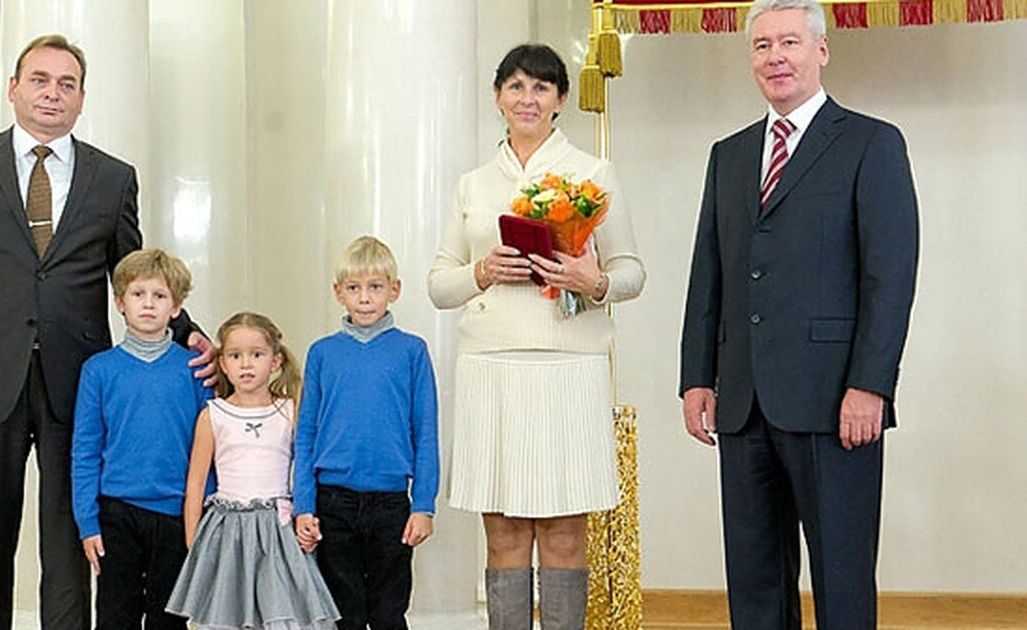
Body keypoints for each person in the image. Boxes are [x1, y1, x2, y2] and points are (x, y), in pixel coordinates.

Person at [0, 35, 214, 630]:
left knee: (72, 547)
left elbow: (134, 273)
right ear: (13, 89)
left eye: (67, 84)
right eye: (39, 80)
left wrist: (188, 332)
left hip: (80, 385)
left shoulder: (113, 177)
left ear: (82, 98)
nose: (52, 94)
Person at [679, 1, 919, 628]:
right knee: (754, 581)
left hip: (835, 400)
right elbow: (710, 272)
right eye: (762, 46)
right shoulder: (729, 155)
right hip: (743, 402)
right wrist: (697, 377)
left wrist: (870, 385)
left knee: (841, 578)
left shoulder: (872, 143)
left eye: (789, 42)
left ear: (822, 50)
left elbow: (889, 278)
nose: (775, 57)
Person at [427, 44, 645, 629]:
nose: (528, 98)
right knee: (502, 531)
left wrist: (591, 281)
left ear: (561, 100)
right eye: (516, 86)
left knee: (565, 531)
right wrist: (481, 271)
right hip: (491, 366)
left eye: (541, 87)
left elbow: (632, 272)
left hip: (569, 368)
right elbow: (439, 285)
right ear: (498, 97)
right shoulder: (473, 184)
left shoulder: (593, 174)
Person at [293, 236, 439, 630]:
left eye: (375, 287)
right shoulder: (322, 353)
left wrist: (423, 505)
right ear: (338, 292)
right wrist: (304, 505)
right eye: (354, 287)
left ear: (394, 290)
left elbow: (426, 433)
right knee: (345, 614)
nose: (364, 298)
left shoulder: (412, 351)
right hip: (333, 502)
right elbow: (305, 435)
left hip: (391, 503)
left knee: (389, 612)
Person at [166, 311, 340, 629]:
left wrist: (306, 516)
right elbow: (196, 484)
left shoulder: (290, 410)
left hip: (278, 531)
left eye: (256, 355)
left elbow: (305, 470)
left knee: (281, 612)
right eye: (235, 356)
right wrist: (194, 541)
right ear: (222, 363)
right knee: (228, 614)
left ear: (275, 361)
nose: (246, 364)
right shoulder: (213, 415)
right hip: (227, 531)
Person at [70, 249, 211, 628]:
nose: (148, 303)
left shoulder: (195, 370)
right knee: (116, 617)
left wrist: (203, 516)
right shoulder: (98, 371)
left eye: (159, 295)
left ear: (176, 308)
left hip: (178, 515)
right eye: (138, 294)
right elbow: (85, 452)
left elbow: (211, 451)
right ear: (120, 302)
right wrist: (88, 523)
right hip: (116, 515)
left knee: (169, 620)